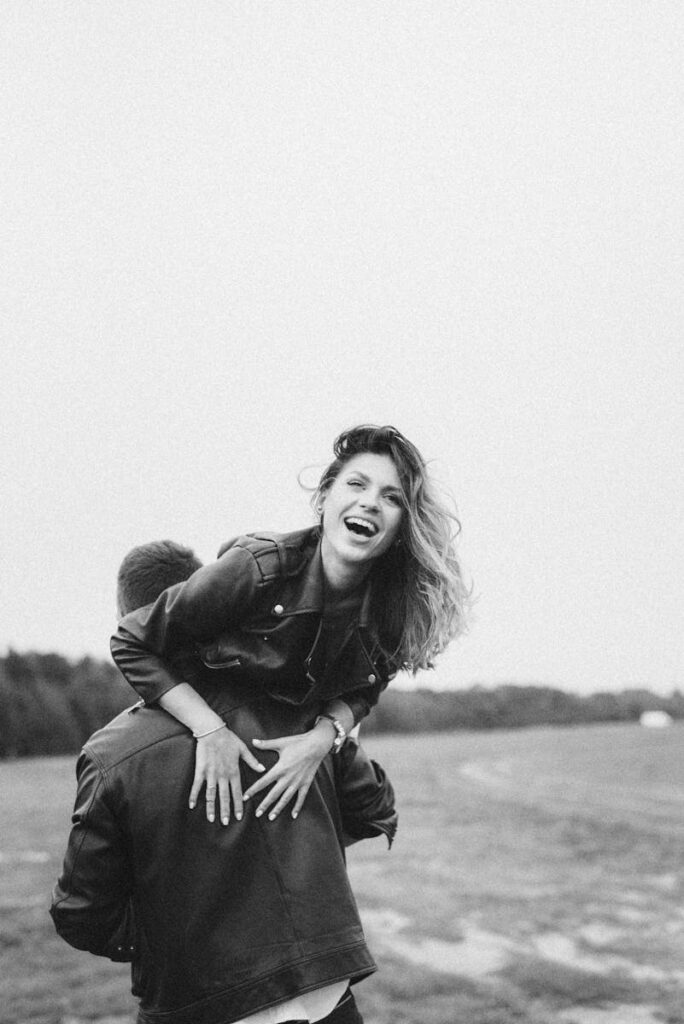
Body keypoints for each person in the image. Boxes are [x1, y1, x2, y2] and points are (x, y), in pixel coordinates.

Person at [51, 538, 397, 1024]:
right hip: (325, 1001)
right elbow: (375, 809)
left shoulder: (111, 755)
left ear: (128, 618)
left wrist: (164, 941)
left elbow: (80, 913)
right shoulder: (295, 709)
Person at [110, 424, 468, 828]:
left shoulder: (393, 607)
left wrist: (325, 736)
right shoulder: (257, 568)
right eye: (356, 484)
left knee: (372, 810)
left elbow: (371, 683)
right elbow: (129, 639)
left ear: (403, 527)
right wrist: (208, 729)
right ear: (325, 496)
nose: (370, 503)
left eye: (392, 498)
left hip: (300, 732)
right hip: (214, 717)